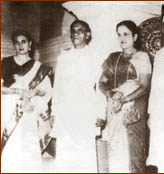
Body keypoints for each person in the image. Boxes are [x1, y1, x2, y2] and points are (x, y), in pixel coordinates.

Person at [51, 20, 106, 172]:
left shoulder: (95, 57)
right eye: (73, 30)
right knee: (65, 154)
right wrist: (54, 112)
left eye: (80, 30)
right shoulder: (63, 57)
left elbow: (100, 86)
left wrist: (101, 113)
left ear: (87, 35)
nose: (76, 33)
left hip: (85, 111)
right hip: (65, 112)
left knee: (85, 155)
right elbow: (58, 87)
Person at [98, 20, 151, 173]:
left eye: (126, 34)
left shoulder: (142, 57)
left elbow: (144, 86)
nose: (122, 38)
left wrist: (124, 100)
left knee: (133, 153)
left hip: (133, 111)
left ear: (135, 36)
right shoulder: (112, 58)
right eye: (119, 34)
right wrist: (111, 94)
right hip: (114, 110)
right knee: (115, 151)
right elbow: (101, 83)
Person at [1, 30, 53, 172]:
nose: (20, 45)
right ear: (14, 45)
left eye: (23, 41)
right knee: (10, 147)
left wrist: (35, 91)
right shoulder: (5, 63)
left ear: (30, 44)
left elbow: (47, 91)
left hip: (29, 109)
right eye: (17, 42)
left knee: (26, 146)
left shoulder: (39, 67)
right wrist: (18, 91)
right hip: (8, 110)